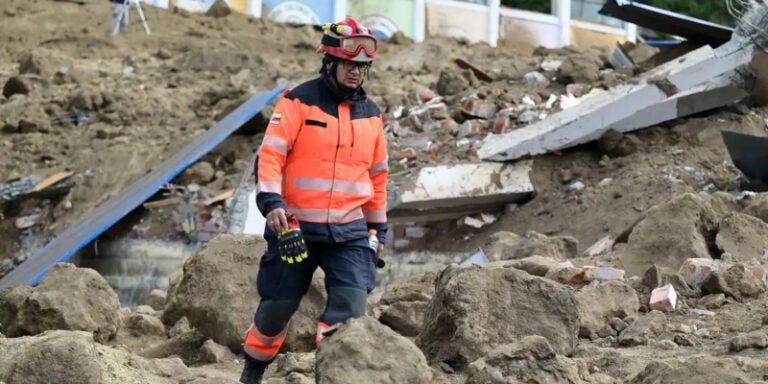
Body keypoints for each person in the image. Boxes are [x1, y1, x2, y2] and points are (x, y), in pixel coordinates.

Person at [239, 17, 388, 384]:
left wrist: (378, 231)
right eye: (350, 65)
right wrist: (272, 204)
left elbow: (377, 177)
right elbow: (270, 157)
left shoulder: (371, 115)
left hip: (349, 232)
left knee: (351, 311)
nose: (356, 73)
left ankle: (331, 375)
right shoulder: (297, 101)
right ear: (330, 62)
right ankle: (252, 372)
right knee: (277, 308)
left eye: (362, 67)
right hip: (295, 228)